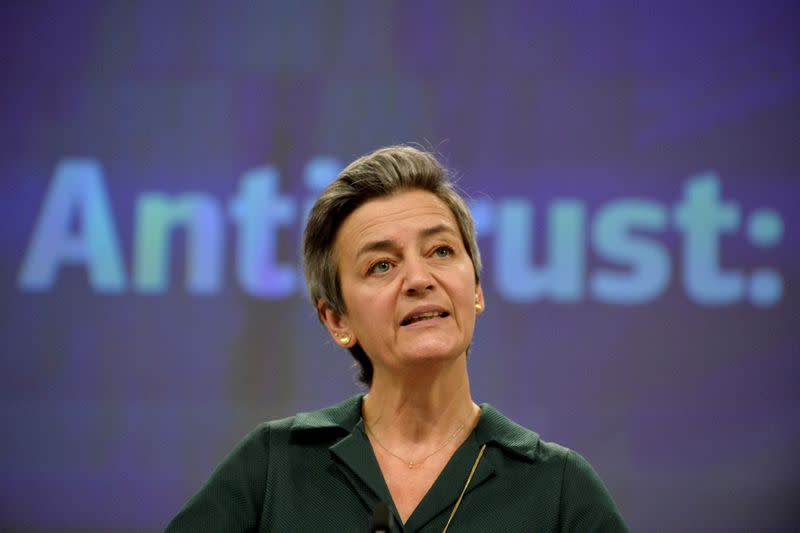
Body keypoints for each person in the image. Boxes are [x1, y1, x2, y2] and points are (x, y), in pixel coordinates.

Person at [165, 145, 628, 532]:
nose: (418, 278)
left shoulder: (556, 488)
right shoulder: (274, 468)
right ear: (336, 320)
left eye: (441, 251)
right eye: (381, 265)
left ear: (477, 290)